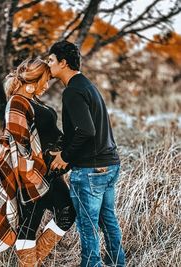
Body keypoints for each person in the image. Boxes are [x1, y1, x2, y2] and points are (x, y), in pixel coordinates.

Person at [48, 41, 126, 267]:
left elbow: (86, 131)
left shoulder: (72, 91)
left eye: (51, 60)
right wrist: (64, 149)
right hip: (109, 166)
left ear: (63, 63)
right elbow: (85, 130)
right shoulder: (87, 86)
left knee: (87, 225)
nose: (48, 64)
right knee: (108, 220)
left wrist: (65, 157)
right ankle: (117, 263)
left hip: (91, 171)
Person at [0, 58, 75, 267]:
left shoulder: (32, 99)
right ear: (33, 80)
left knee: (67, 212)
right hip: (31, 174)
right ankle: (29, 264)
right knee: (29, 225)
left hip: (47, 171)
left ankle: (32, 262)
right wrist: (31, 177)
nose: (47, 86)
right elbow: (18, 145)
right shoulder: (18, 102)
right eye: (45, 81)